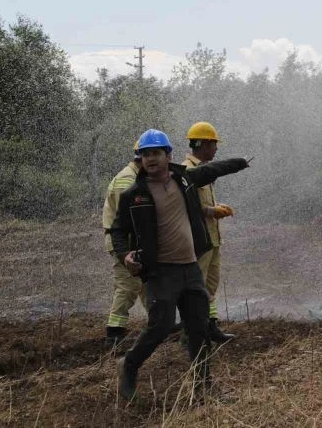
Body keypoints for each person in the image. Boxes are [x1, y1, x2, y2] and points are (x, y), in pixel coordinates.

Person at [111, 129, 251, 400]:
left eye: (156, 153)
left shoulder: (184, 179)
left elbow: (214, 170)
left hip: (190, 268)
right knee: (161, 326)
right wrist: (124, 254)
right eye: (145, 154)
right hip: (161, 272)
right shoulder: (134, 195)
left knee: (199, 328)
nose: (150, 159)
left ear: (168, 155)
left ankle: (203, 388)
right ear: (140, 158)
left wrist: (241, 163)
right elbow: (117, 229)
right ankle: (128, 364)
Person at [182, 122, 234, 343]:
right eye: (214, 144)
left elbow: (200, 202)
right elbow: (186, 207)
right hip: (199, 240)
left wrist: (215, 208)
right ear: (203, 144)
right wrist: (212, 211)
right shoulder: (187, 171)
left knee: (210, 285)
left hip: (212, 238)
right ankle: (191, 332)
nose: (216, 149)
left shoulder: (204, 170)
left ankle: (210, 327)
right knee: (197, 286)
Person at [102, 140, 146, 347]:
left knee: (147, 284)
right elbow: (125, 220)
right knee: (128, 286)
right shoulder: (126, 180)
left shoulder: (135, 176)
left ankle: (160, 322)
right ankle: (115, 331)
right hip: (124, 244)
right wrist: (125, 250)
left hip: (133, 242)